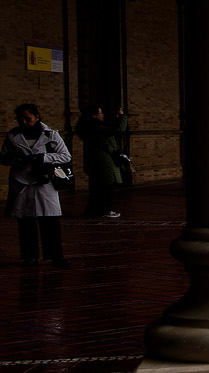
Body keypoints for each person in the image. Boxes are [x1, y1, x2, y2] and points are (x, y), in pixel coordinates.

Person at [5, 104, 71, 268]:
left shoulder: (51, 134)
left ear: (37, 116)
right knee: (26, 222)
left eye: (28, 118)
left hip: (44, 182)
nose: (24, 122)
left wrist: (43, 158)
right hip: (22, 181)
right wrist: (12, 159)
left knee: (50, 221)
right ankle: (30, 256)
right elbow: (4, 156)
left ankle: (56, 256)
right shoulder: (13, 135)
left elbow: (65, 156)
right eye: (21, 119)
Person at [78, 106, 127, 219]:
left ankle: (94, 210)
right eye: (100, 113)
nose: (102, 115)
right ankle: (104, 210)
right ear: (94, 115)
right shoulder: (95, 127)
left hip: (99, 160)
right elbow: (118, 129)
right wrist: (122, 116)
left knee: (98, 187)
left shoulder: (91, 127)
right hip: (103, 160)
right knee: (106, 187)